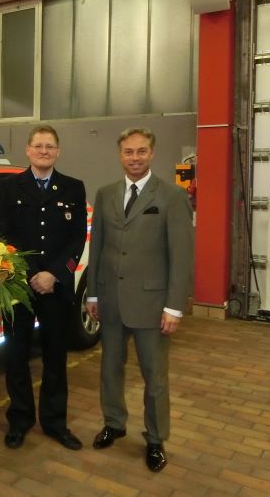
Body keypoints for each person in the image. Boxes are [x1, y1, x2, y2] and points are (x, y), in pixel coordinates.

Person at [86, 127, 194, 473]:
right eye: (129, 152)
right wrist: (92, 292)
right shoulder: (105, 194)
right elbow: (97, 247)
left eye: (141, 151)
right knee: (110, 369)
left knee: (154, 376)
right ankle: (114, 423)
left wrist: (174, 305)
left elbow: (181, 256)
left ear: (152, 153)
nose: (135, 158)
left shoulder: (172, 197)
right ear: (120, 155)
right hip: (112, 301)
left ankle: (156, 438)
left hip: (152, 304)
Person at [0, 124, 87, 451]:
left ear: (57, 151)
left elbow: (77, 239)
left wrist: (54, 274)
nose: (44, 151)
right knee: (15, 357)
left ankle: (55, 422)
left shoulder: (74, 188)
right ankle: (19, 420)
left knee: (55, 357)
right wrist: (34, 273)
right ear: (28, 150)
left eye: (50, 146)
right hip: (19, 285)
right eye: (39, 146)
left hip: (57, 288)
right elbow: (3, 236)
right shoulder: (9, 187)